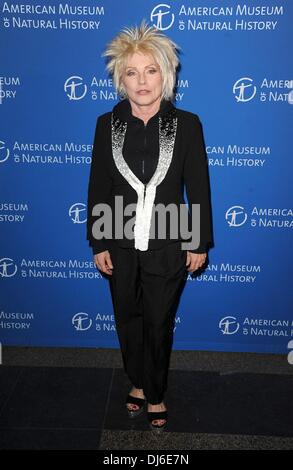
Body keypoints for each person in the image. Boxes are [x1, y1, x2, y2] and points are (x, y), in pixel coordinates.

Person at [86, 19, 213, 432]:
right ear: (120, 79)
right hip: (118, 239)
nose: (142, 80)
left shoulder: (188, 124)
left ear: (167, 73)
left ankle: (155, 391)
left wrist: (198, 242)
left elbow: (198, 186)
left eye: (151, 69)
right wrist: (97, 240)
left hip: (168, 241)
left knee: (158, 321)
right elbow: (99, 185)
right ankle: (137, 382)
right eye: (131, 71)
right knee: (127, 317)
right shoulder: (108, 124)